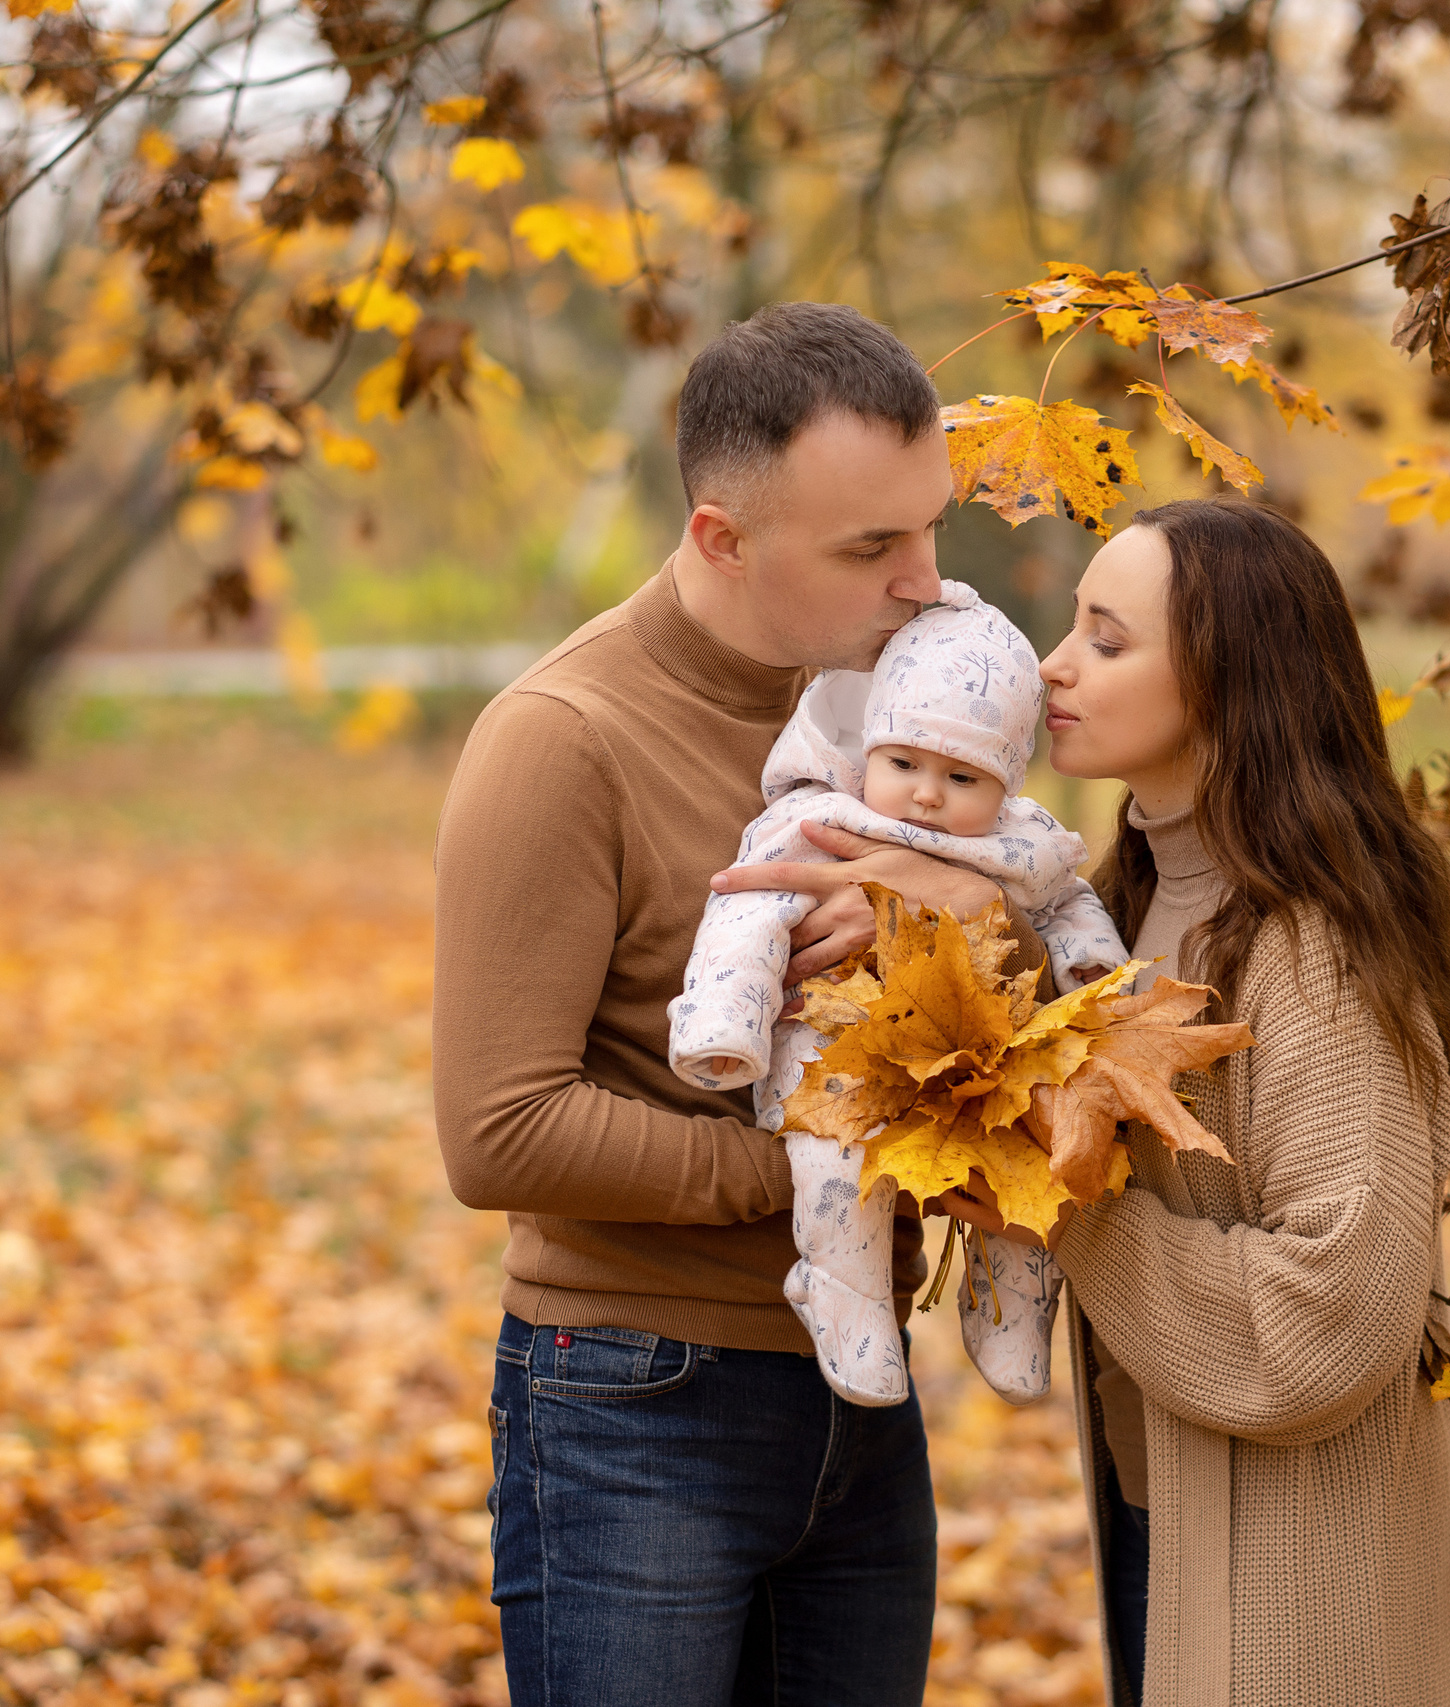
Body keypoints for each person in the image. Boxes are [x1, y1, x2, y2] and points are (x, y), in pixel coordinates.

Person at [432, 302, 1044, 1707]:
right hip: (637, 1400)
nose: (924, 581)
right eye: (869, 548)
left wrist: (974, 915)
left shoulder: (915, 715)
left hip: (861, 1400)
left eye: (930, 529)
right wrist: (830, 1174)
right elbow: (498, 1132)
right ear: (722, 538)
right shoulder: (562, 740)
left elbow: (1041, 979)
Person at [940, 497, 1450, 1707]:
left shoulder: (1317, 954)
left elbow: (1327, 1316)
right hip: (1171, 1514)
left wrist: (1061, 1207)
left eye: (1107, 640)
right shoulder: (1121, 907)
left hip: (1312, 1569)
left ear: (1228, 681)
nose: (1055, 663)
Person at [669, 580, 1127, 1409]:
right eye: (905, 763)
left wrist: (1090, 964)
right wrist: (723, 1016)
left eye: (963, 775)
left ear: (1007, 781)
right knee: (838, 1161)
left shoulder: (1019, 842)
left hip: (979, 1052)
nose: (925, 793)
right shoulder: (822, 820)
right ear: (868, 747)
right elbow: (748, 908)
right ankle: (846, 1297)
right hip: (837, 1051)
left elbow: (1068, 903)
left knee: (1027, 1162)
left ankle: (1013, 1308)